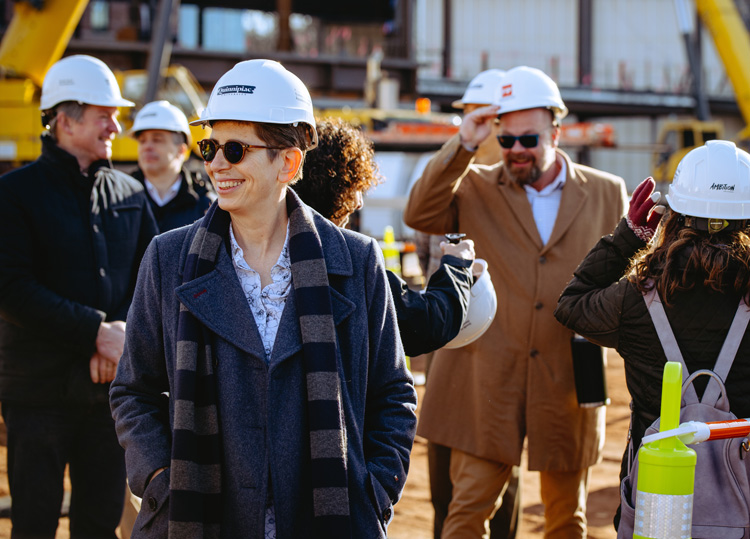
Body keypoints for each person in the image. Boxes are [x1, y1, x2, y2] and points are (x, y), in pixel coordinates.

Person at [109, 59, 418, 538]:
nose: (214, 164)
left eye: (235, 149)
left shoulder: (356, 263)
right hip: (201, 520)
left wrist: (372, 492)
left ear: (288, 163)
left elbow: (394, 394)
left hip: (328, 521)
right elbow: (134, 391)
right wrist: (159, 481)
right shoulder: (168, 259)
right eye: (210, 147)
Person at [403, 65, 628, 538]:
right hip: (489, 376)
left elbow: (624, 278)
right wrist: (465, 141)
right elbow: (419, 211)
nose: (516, 152)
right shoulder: (474, 185)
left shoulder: (607, 193)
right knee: (467, 514)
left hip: (570, 378)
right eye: (506, 141)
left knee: (568, 519)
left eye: (528, 139)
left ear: (557, 131)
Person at [554, 140, 750, 531]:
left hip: (657, 500)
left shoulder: (637, 296)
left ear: (674, 214)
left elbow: (571, 305)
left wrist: (628, 237)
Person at [0, 54, 158, 538]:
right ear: (64, 120)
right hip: (37, 393)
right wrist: (97, 332)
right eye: (103, 113)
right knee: (34, 520)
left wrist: (123, 338)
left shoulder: (130, 193)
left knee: (100, 519)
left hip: (108, 397)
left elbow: (150, 280)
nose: (117, 124)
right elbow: (12, 288)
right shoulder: (14, 195)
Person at [421, 67, 522, 539]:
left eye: (486, 119)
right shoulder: (451, 179)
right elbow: (419, 211)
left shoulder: (516, 186)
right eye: (467, 115)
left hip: (503, 367)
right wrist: (462, 144)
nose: (477, 127)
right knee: (445, 493)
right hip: (454, 357)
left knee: (495, 498)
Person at [294, 117, 476, 356]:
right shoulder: (348, 261)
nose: (359, 203)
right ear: (337, 186)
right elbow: (427, 324)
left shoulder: (267, 246)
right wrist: (457, 265)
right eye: (355, 186)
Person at [130, 100, 216, 232]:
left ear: (181, 150)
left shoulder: (206, 205)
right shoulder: (119, 199)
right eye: (142, 141)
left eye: (157, 140)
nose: (147, 147)